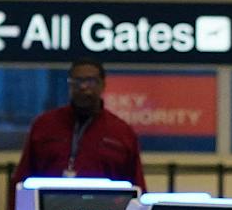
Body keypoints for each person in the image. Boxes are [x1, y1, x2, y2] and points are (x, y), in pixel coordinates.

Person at [13, 56, 147, 189]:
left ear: (103, 85)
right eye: (76, 81)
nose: (83, 87)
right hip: (50, 207)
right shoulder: (44, 126)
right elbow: (22, 179)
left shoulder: (122, 133)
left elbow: (137, 187)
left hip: (105, 208)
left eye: (90, 81)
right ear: (69, 85)